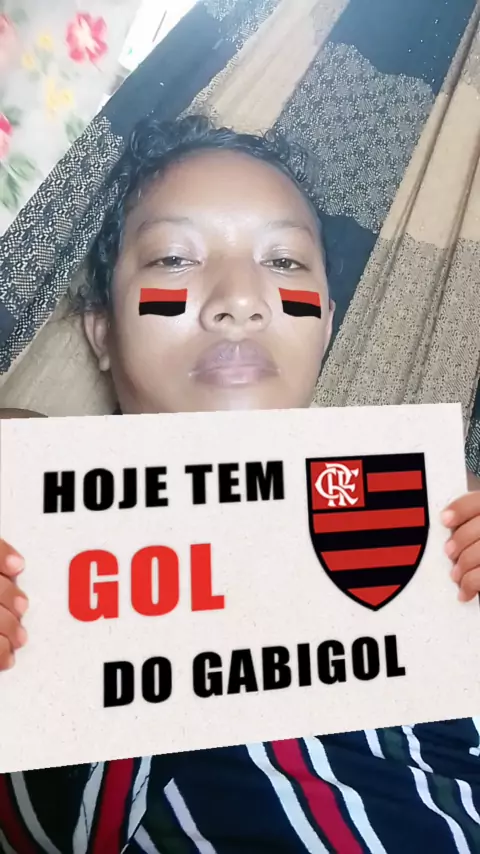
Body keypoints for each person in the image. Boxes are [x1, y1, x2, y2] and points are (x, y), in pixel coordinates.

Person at [0, 114, 480, 854]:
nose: (239, 299)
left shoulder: (432, 519)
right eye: (173, 258)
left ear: (326, 324)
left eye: (284, 261)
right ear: (100, 332)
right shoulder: (28, 515)